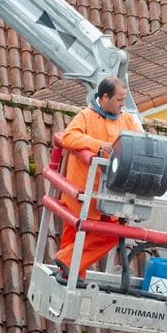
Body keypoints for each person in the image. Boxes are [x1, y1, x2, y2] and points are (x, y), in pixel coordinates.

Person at [55, 76, 141, 280]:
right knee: (75, 241)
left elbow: (139, 144)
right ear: (104, 97)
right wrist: (99, 145)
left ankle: (68, 264)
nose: (123, 104)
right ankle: (69, 270)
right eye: (119, 100)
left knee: (107, 234)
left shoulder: (127, 120)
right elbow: (68, 137)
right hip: (81, 196)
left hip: (107, 199)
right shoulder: (86, 116)